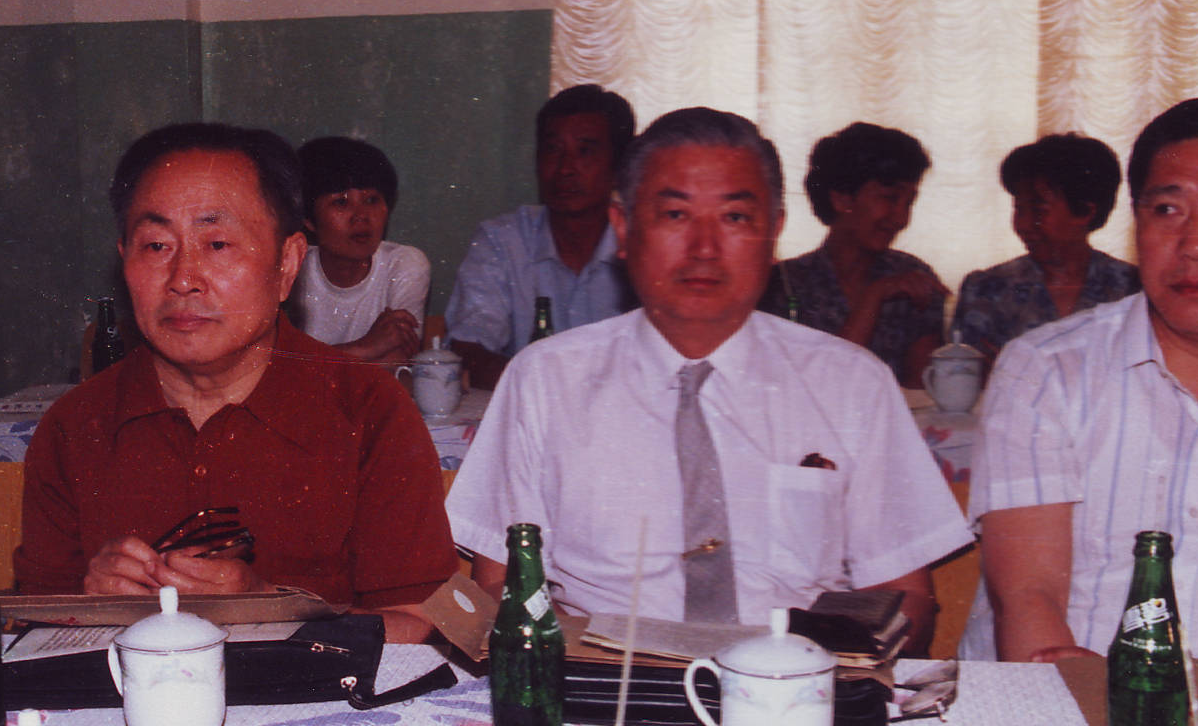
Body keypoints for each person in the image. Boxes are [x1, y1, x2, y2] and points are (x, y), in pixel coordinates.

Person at [448, 107, 968, 649]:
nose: (704, 248)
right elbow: (500, 582)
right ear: (623, 229)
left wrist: (830, 689)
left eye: (735, 219)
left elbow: (902, 594)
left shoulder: (853, 383)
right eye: (675, 215)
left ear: (775, 231)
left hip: (800, 686)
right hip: (601, 685)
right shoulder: (544, 380)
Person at [15, 123, 456, 642]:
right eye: (155, 245)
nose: (183, 277)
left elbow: (420, 624)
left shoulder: (367, 409)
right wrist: (91, 605)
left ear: (287, 264)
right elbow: (30, 625)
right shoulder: (76, 424)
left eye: (217, 243)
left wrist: (269, 610)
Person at [972, 96, 1198, 662]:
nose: (1195, 244)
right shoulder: (1045, 369)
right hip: (1056, 708)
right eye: (1167, 210)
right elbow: (1029, 597)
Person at [444, 84, 636, 388]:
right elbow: (468, 349)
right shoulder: (502, 241)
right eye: (552, 150)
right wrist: (551, 391)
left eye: (584, 151)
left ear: (619, 168)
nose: (565, 169)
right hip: (530, 416)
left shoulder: (643, 246)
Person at [758, 122, 947, 387]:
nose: (902, 218)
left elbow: (923, 394)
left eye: (909, 202)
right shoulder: (783, 285)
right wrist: (874, 297)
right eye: (890, 198)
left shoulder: (913, 277)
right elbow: (821, 389)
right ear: (842, 200)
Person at [951, 133, 1140, 360]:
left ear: (1085, 211)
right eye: (1019, 209)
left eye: (1039, 211)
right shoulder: (986, 290)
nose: (1023, 224)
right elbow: (963, 380)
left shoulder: (1133, 290)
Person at [290, 136, 430, 365]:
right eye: (341, 203)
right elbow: (277, 369)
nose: (361, 216)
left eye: (372, 200)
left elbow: (395, 363)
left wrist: (317, 361)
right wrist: (367, 346)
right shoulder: (291, 270)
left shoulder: (404, 263)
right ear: (308, 220)